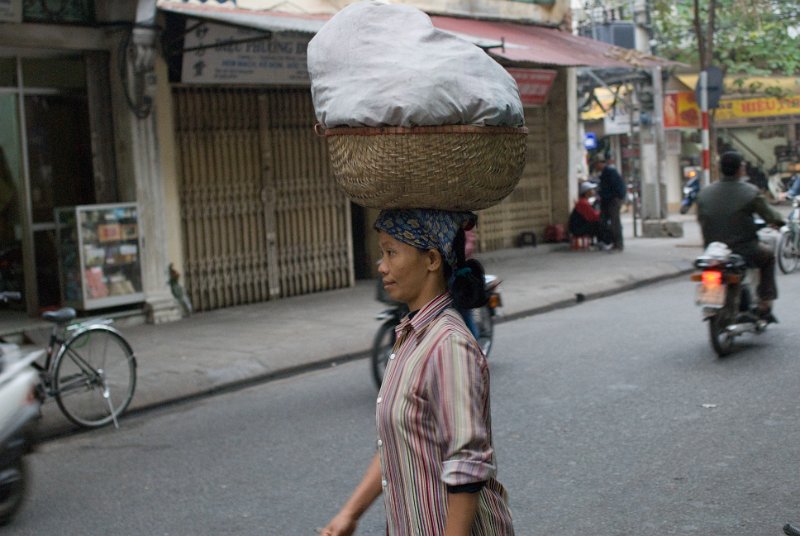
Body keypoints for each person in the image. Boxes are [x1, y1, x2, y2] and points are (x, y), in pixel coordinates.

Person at [321, 209, 514, 536]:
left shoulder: (448, 344)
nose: (381, 266)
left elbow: (467, 469)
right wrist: (349, 514)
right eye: (382, 253)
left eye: (392, 252)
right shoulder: (409, 336)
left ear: (432, 260)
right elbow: (397, 444)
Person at [696, 151, 785, 321]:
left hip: (712, 251)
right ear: (740, 169)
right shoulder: (750, 191)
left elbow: (702, 220)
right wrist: (780, 223)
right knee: (767, 258)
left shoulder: (704, 193)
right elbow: (772, 216)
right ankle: (765, 303)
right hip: (743, 248)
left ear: (720, 169)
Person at [593, 154, 626, 251]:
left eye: (596, 164)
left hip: (613, 200)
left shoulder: (610, 172)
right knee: (603, 221)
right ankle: (610, 241)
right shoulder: (603, 173)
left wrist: (617, 197)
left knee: (615, 222)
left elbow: (616, 187)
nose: (595, 167)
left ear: (600, 163)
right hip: (607, 200)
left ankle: (618, 244)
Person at [568, 181, 611, 248]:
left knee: (599, 222)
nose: (593, 191)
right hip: (577, 229)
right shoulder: (583, 203)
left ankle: (603, 242)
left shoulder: (584, 201)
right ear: (587, 192)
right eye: (591, 190)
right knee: (598, 223)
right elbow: (593, 217)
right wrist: (602, 214)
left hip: (579, 226)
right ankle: (603, 242)